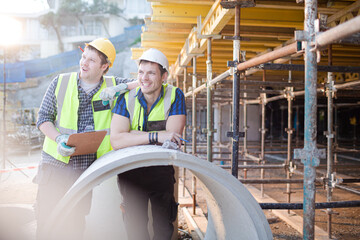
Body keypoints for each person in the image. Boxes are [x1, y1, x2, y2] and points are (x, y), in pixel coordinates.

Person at [34, 37, 138, 240]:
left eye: (91, 60)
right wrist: (58, 138)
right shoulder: (61, 82)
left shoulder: (112, 85)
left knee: (75, 221)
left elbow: (145, 83)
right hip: (55, 163)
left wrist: (119, 89)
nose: (84, 63)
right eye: (84, 57)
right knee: (47, 219)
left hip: (85, 169)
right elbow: (43, 119)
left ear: (104, 66)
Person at [109, 48, 186, 240]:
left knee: (163, 229)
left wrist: (133, 135)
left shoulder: (175, 96)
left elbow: (173, 137)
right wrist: (156, 137)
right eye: (141, 72)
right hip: (130, 173)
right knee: (135, 231)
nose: (144, 78)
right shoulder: (125, 98)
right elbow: (117, 140)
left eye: (151, 73)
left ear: (164, 76)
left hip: (161, 171)